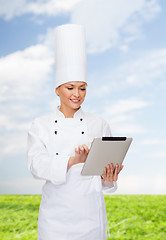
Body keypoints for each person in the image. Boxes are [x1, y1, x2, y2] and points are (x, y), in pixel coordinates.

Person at [27, 24, 123, 240]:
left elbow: (104, 179)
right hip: (55, 218)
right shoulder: (40, 125)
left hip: (91, 216)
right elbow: (36, 166)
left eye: (83, 88)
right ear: (57, 90)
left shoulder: (99, 123)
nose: (77, 94)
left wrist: (109, 176)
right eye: (70, 88)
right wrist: (72, 160)